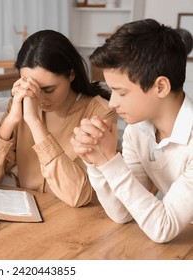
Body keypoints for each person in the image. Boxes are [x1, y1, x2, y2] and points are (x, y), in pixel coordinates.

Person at [71, 19, 192, 243]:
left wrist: (110, 159)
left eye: (121, 92)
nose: (111, 103)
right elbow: (121, 212)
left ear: (161, 87)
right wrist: (97, 161)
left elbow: (162, 228)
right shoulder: (138, 131)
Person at [0, 30, 116, 207]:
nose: (40, 99)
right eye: (33, 89)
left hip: (77, 223)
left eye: (48, 89)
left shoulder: (99, 113)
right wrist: (10, 121)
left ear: (71, 75)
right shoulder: (21, 107)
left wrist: (34, 122)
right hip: (27, 217)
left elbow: (78, 196)